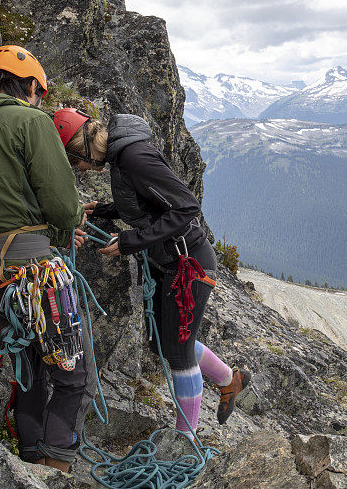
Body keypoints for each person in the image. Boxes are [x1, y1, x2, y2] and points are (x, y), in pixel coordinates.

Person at [0, 45, 96, 472]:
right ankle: (56, 461)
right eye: (39, 92)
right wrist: (65, 231)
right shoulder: (31, 121)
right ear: (29, 84)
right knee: (72, 371)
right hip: (32, 273)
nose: (39, 99)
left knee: (28, 364)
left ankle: (27, 457)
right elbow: (63, 205)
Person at [54, 108, 250, 437]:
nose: (81, 169)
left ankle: (184, 442)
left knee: (178, 353)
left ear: (85, 146)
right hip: (171, 261)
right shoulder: (123, 155)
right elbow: (147, 200)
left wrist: (133, 240)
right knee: (164, 345)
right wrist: (104, 209)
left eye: (77, 161)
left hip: (189, 264)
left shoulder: (132, 156)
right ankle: (231, 380)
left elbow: (186, 205)